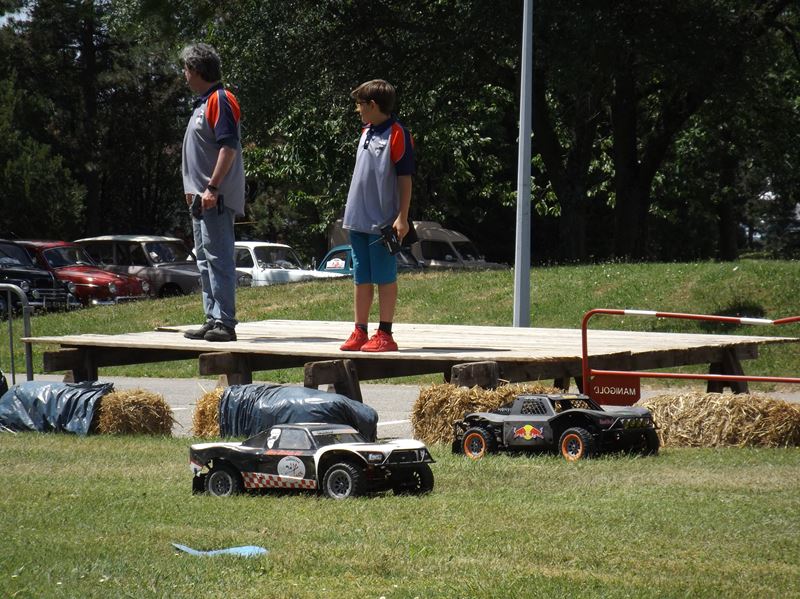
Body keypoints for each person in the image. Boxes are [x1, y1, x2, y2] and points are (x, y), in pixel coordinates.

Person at [339, 79, 415, 353]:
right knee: (361, 277)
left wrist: (402, 217)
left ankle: (385, 332)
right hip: (358, 218)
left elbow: (405, 178)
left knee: (384, 276)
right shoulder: (366, 131)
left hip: (383, 222)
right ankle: (360, 330)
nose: (357, 110)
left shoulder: (397, 134)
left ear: (372, 105)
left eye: (360, 105)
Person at [180, 43, 245, 342]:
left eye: (186, 69)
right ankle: (212, 317)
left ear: (197, 70)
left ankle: (226, 323)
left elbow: (228, 147)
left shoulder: (221, 99)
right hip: (200, 199)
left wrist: (212, 187)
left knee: (219, 259)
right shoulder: (202, 103)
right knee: (204, 260)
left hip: (213, 197)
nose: (184, 75)